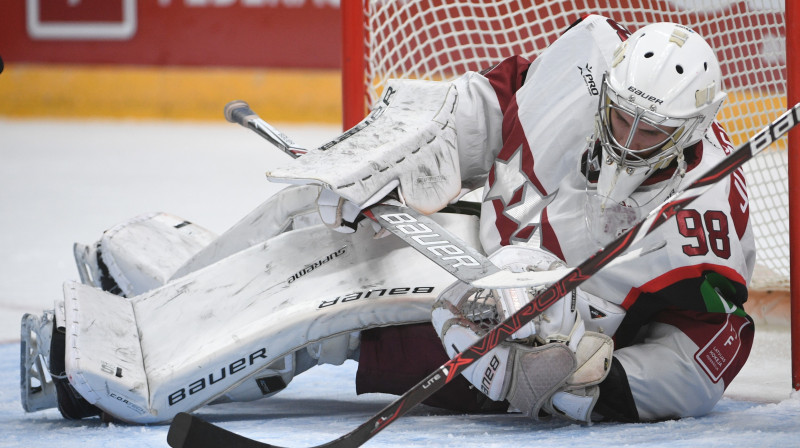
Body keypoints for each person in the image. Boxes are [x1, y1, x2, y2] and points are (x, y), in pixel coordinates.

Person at [22, 14, 754, 425]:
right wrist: (418, 149)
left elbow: (713, 347)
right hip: (479, 239)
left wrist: (600, 379)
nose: (627, 137)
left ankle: (102, 375)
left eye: (649, 131)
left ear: (691, 131)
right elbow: (493, 97)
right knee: (312, 216)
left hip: (517, 346)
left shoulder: (708, 221)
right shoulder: (589, 64)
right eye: (619, 116)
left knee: (330, 319)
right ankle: (168, 295)